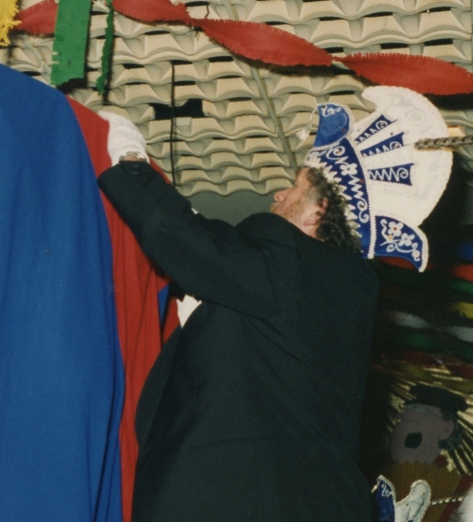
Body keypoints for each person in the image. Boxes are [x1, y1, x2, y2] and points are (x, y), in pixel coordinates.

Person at [95, 110, 380, 520]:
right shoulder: (338, 297)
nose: (279, 195)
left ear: (319, 210)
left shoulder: (294, 259)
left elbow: (177, 235)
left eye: (295, 187)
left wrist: (130, 161)